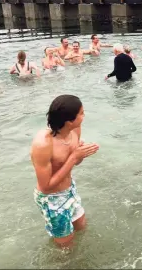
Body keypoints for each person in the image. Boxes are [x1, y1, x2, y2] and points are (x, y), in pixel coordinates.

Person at [31, 94, 100, 248]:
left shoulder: (74, 130)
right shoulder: (43, 144)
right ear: (69, 121)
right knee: (66, 247)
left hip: (70, 190)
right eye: (81, 113)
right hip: (51, 199)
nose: (84, 116)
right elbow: (46, 186)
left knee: (82, 227)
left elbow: (74, 162)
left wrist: (81, 154)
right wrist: (74, 158)